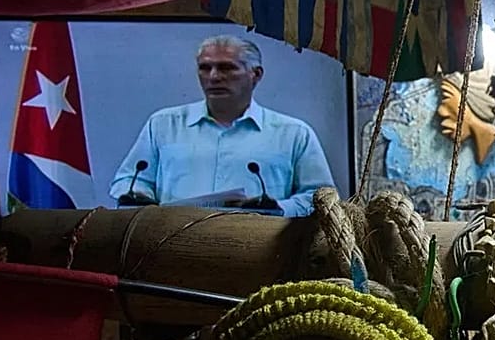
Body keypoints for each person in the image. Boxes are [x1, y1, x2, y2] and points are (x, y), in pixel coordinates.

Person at [108, 34, 334, 216]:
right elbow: (128, 181)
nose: (214, 77)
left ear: (255, 74)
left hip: (257, 249)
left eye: (226, 68)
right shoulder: (163, 124)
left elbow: (320, 198)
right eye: (205, 68)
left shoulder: (293, 133)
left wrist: (277, 209)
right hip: (174, 246)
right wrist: (139, 197)